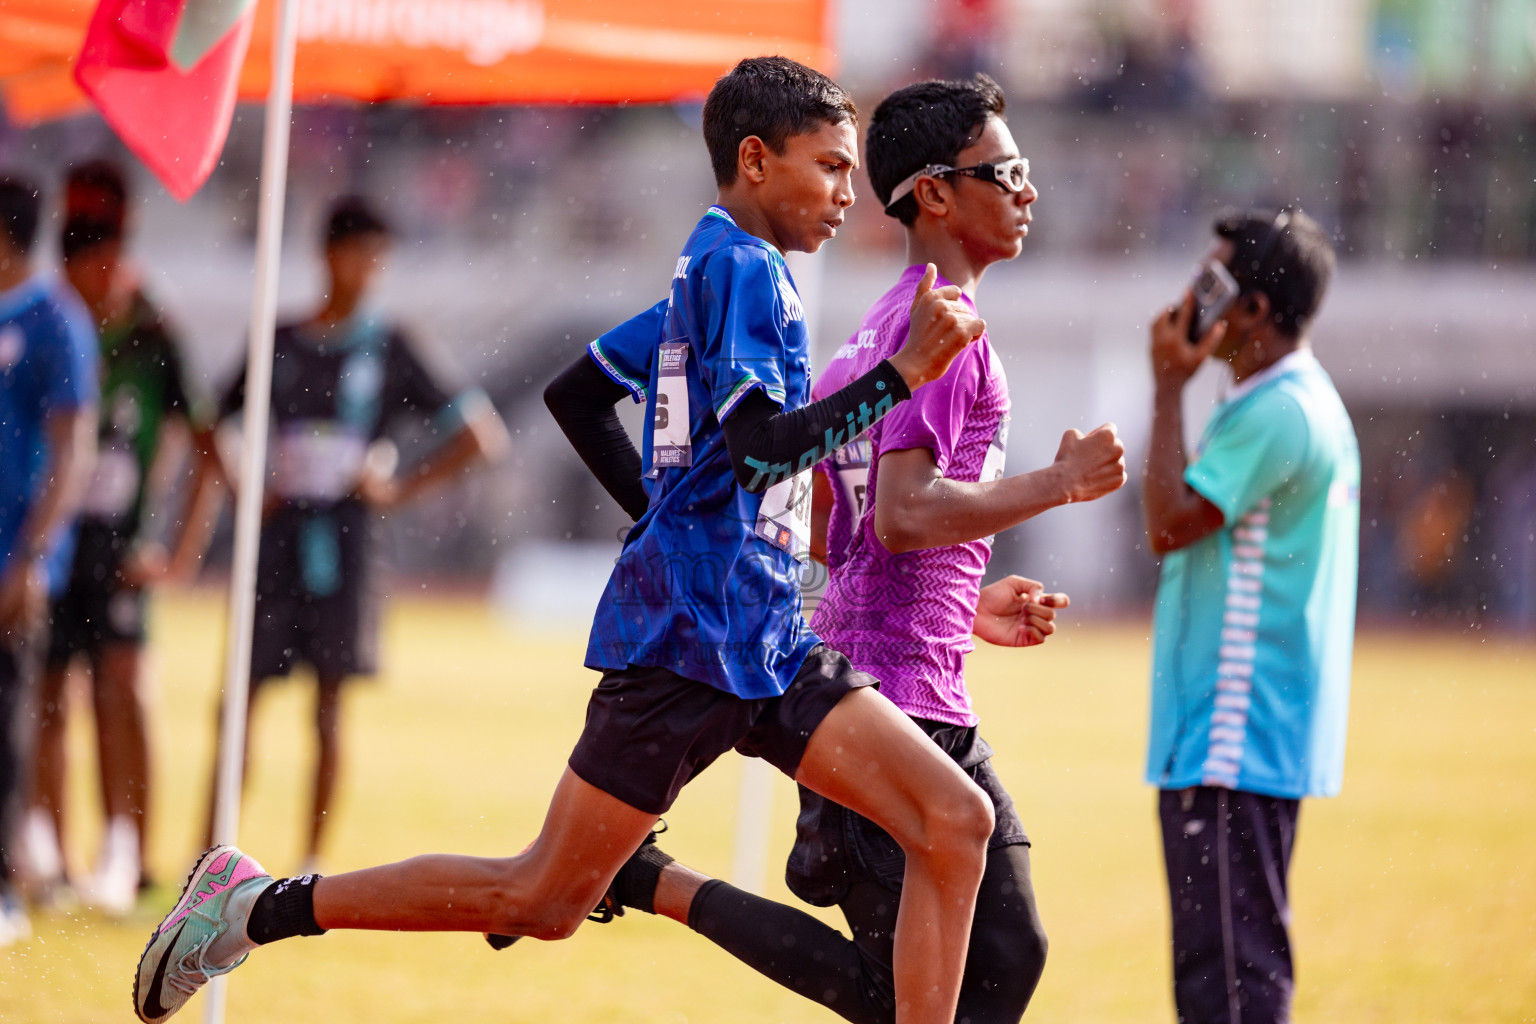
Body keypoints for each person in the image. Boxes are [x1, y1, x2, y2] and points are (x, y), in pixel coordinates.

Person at [136, 56, 993, 1024]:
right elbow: (756, 449)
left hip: (758, 634)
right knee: (538, 897)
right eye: (831, 166)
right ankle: (252, 905)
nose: (851, 194)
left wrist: (665, 515)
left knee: (954, 818)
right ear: (755, 159)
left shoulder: (714, 268)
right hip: (690, 649)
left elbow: (577, 393)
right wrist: (900, 377)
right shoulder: (742, 270)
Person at [537, 75, 1129, 1024]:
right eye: (1007, 170)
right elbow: (897, 513)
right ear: (935, 190)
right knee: (949, 979)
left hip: (892, 671)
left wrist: (961, 602)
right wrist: (1057, 485)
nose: (1027, 190)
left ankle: (653, 881)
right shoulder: (936, 335)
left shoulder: (877, 330)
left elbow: (839, 529)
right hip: (894, 695)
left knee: (984, 963)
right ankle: (653, 883)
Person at [194, 195, 511, 873]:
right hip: (277, 539)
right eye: (358, 254)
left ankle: (310, 862)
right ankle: (208, 857)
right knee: (239, 700)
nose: (368, 269)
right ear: (327, 254)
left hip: (348, 541)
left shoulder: (390, 345)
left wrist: (398, 487)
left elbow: (480, 435)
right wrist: (246, 487)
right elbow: (204, 417)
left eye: (379, 258)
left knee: (330, 707)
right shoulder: (278, 341)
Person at [1142, 206, 1357, 1024]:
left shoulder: (1276, 411)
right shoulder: (1296, 400)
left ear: (1257, 310)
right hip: (1252, 731)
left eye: (1215, 283)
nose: (1195, 300)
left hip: (1234, 734)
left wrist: (1167, 388)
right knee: (1234, 963)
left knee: (1227, 979)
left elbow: (1167, 523)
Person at [23, 160, 216, 916]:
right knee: (47, 695)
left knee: (126, 689)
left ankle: (128, 851)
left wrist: (181, 550)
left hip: (119, 548)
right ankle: (51, 854)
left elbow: (206, 446)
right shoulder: (41, 326)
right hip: (51, 539)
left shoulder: (153, 331)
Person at [0, 173, 98, 945]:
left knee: (9, 721)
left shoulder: (56, 321)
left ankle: (5, 884)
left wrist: (34, 557)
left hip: (14, 564)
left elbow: (72, 449)